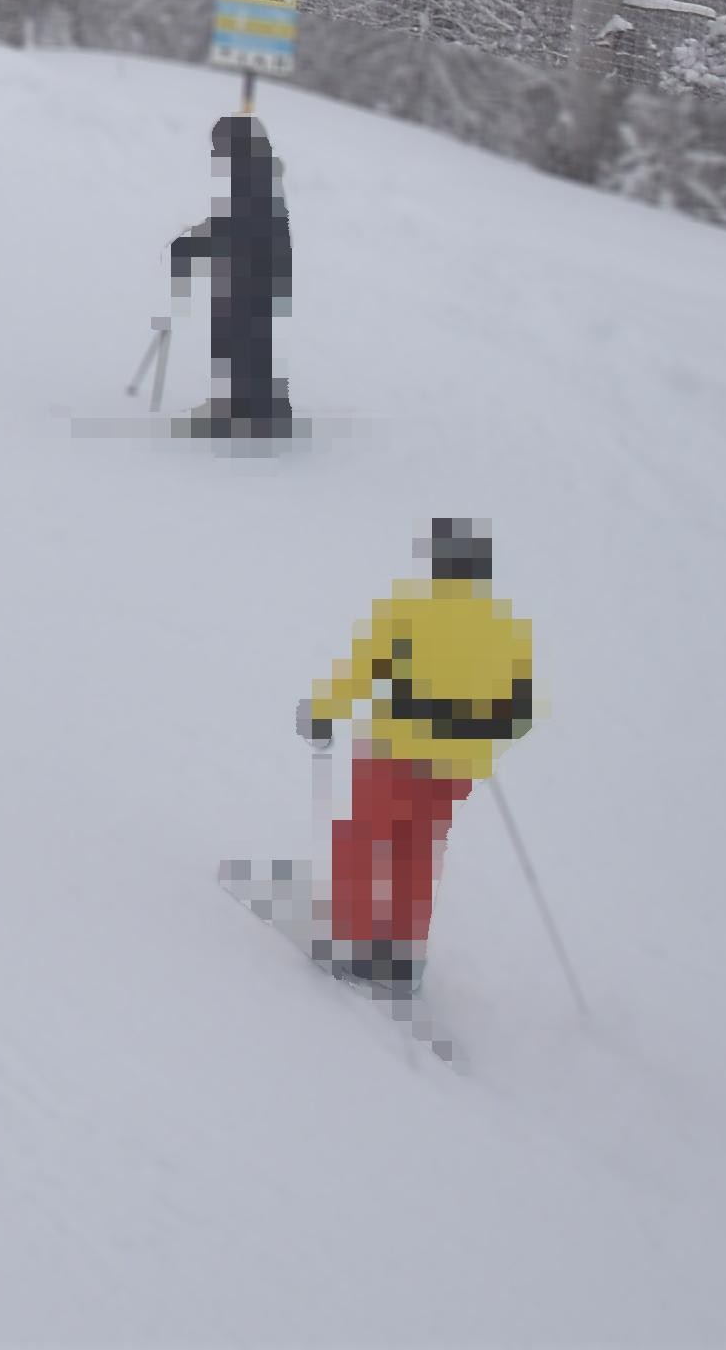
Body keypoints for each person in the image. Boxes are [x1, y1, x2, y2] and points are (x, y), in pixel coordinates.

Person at [298, 518, 534, 999]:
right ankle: (403, 957)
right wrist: (481, 734)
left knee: (369, 843)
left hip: (396, 755)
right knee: (417, 853)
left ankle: (361, 950)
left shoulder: (409, 614)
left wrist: (322, 713)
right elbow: (520, 711)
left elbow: (361, 671)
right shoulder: (503, 628)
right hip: (456, 767)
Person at [168, 107, 296, 435]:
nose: (216, 155)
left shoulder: (255, 176)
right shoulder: (257, 171)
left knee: (244, 338)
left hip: (255, 269)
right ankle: (238, 405)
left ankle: (256, 415)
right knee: (239, 338)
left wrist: (196, 243)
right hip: (253, 267)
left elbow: (240, 227)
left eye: (220, 148)